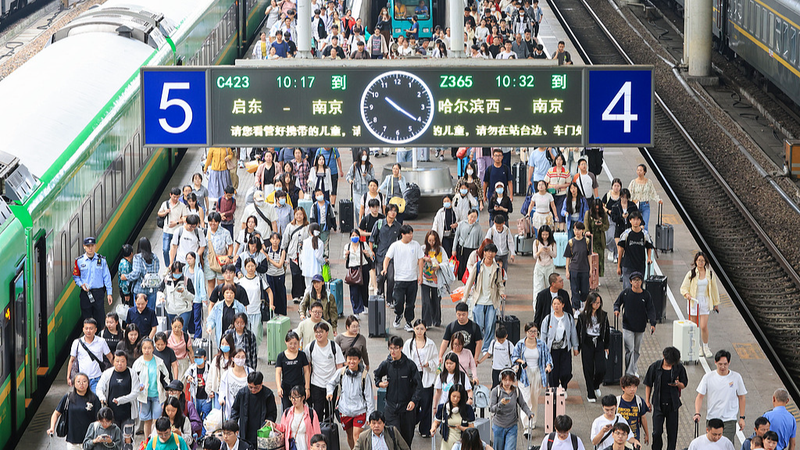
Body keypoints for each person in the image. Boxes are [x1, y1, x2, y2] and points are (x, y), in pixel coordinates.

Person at [373, 336, 423, 447]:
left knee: (406, 440)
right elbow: (376, 375)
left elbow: (419, 386)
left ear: (401, 348)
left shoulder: (410, 365)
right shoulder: (386, 364)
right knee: (393, 438)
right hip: (391, 408)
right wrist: (379, 383)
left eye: (395, 348)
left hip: (406, 409)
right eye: (390, 348)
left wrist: (413, 401)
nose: (393, 351)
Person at [694, 349, 747, 444]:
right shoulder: (708, 377)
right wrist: (697, 413)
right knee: (711, 444)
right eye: (720, 364)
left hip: (729, 420)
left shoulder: (736, 377)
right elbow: (700, 396)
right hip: (712, 418)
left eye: (725, 364)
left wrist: (742, 418)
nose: (723, 367)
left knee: (726, 445)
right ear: (715, 362)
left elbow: (741, 397)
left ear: (729, 363)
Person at [326, 348, 375, 449]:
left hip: (360, 411)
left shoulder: (364, 376)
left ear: (359, 360)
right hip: (345, 411)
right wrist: (330, 392)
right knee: (349, 436)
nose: (351, 361)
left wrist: (370, 415)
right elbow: (330, 383)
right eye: (349, 359)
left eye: (354, 359)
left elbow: (369, 397)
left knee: (357, 436)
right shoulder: (341, 373)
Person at [464, 242, 505, 354]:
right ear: (484, 253)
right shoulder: (478, 266)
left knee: (490, 325)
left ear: (495, 253)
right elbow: (469, 283)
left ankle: (487, 348)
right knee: (479, 325)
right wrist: (464, 299)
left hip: (492, 301)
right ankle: (479, 344)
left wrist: (502, 293)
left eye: (492, 252)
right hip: (479, 300)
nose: (490, 254)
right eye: (488, 252)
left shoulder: (496, 268)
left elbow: (500, 283)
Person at [644, 347, 688, 450]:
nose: (671, 365)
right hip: (658, 404)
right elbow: (648, 384)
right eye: (669, 362)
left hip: (673, 405)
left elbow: (684, 384)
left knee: (672, 433)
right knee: (657, 432)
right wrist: (647, 401)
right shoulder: (655, 367)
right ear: (664, 356)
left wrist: (678, 384)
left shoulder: (679, 368)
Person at [614, 272, 656, 376]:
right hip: (628, 326)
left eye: (639, 280)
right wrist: (616, 310)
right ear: (630, 281)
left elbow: (651, 309)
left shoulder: (646, 295)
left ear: (642, 281)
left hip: (640, 326)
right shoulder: (626, 293)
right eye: (635, 280)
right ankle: (629, 372)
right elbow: (617, 303)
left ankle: (633, 368)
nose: (637, 283)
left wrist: (652, 323)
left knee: (636, 350)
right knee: (630, 349)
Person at [383, 224, 424, 332]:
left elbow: (420, 260)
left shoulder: (416, 245)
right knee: (399, 301)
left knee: (411, 303)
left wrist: (420, 275)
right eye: (408, 234)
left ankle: (408, 322)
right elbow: (387, 258)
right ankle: (398, 314)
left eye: (411, 233)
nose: (411, 236)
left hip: (412, 279)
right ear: (402, 234)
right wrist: (385, 269)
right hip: (399, 279)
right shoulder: (395, 246)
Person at [680, 252, 721, 357]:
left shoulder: (710, 274)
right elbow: (683, 287)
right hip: (694, 301)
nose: (700, 262)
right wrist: (687, 294)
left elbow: (714, 290)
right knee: (694, 326)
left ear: (705, 262)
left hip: (705, 301)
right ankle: (697, 347)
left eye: (702, 260)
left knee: (703, 326)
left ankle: (706, 347)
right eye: (699, 260)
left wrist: (716, 303)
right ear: (695, 261)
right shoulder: (691, 273)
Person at [47, 372, 103, 447]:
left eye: (84, 381)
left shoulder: (94, 399)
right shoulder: (68, 398)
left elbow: (99, 419)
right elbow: (56, 413)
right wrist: (52, 427)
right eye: (78, 381)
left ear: (88, 383)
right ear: (74, 383)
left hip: (89, 440)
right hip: (72, 440)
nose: (81, 384)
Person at [403, 320, 438, 438]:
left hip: (426, 374)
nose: (419, 331)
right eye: (417, 328)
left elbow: (436, 360)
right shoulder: (409, 344)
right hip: (413, 376)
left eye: (422, 329)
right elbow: (405, 359)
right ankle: (412, 424)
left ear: (425, 330)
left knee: (426, 403)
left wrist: (429, 364)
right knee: (414, 402)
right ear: (413, 329)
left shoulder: (431, 344)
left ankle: (425, 429)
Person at [306, 322, 344, 422]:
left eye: (321, 332)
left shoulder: (334, 347)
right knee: (317, 413)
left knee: (329, 414)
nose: (319, 334)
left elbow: (339, 367)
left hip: (331, 385)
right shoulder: (310, 347)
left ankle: (329, 435)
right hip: (316, 384)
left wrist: (339, 386)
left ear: (327, 333)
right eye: (317, 332)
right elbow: (308, 366)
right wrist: (307, 387)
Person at [72, 237, 114, 327]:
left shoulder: (101, 260)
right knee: (86, 320)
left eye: (92, 246)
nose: (90, 248)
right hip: (85, 293)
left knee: (100, 319)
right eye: (88, 246)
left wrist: (109, 293)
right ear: (84, 247)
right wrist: (81, 284)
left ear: (95, 246)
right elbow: (76, 276)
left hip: (98, 293)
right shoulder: (79, 261)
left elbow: (107, 277)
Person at [132, 338, 170, 435]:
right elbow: (133, 379)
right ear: (142, 349)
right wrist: (137, 388)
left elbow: (165, 377)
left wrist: (167, 390)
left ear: (153, 348)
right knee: (147, 420)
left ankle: (155, 442)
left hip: (157, 395)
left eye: (149, 348)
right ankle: (147, 443)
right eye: (145, 348)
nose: (147, 350)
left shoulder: (159, 362)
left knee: (157, 420)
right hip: (143, 396)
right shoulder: (137, 363)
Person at [540, 296, 579, 391]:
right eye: (554, 304)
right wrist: (543, 350)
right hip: (552, 350)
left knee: (566, 371)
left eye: (558, 304)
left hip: (565, 348)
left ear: (563, 305)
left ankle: (564, 386)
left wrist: (575, 347)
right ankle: (554, 390)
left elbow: (573, 332)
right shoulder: (548, 319)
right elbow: (543, 335)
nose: (556, 306)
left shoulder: (568, 317)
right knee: (553, 372)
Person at [577, 292, 610, 402]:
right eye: (595, 303)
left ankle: (596, 385)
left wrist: (606, 346)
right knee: (588, 369)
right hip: (587, 343)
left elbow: (607, 331)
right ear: (590, 303)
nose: (597, 305)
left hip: (599, 343)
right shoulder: (582, 316)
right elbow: (578, 331)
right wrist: (577, 346)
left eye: (599, 303)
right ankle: (590, 392)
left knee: (602, 368)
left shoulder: (603, 315)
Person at [489, 369, 534, 450]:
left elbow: (522, 404)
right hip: (498, 426)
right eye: (505, 380)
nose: (507, 383)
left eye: (510, 380)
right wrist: (501, 404)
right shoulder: (496, 391)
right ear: (501, 379)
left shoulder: (516, 391)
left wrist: (529, 413)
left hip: (512, 426)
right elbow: (492, 409)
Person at [230, 371, 278, 447]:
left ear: (261, 384)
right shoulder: (242, 393)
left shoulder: (268, 394)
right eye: (250, 387)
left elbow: (272, 412)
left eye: (256, 388)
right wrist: (232, 424)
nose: (253, 390)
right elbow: (235, 410)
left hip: (262, 431)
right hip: (245, 431)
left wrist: (269, 421)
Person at [268, 386, 322, 450]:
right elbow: (283, 428)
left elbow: (317, 433)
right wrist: (275, 425)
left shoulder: (311, 413)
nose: (293, 400)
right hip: (292, 446)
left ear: (303, 398)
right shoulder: (287, 412)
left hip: (306, 445)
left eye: (296, 397)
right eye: (291, 397)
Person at [67, 319, 113, 392]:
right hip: (82, 380)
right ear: (83, 329)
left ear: (95, 330)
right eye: (86, 328)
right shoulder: (77, 343)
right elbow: (71, 360)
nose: (88, 331)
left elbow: (110, 357)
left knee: (96, 399)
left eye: (91, 328)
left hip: (97, 378)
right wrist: (68, 377)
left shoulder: (101, 342)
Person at [97, 351, 139, 428]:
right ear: (113, 362)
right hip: (111, 414)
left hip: (128, 413)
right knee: (112, 439)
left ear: (126, 362)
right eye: (117, 361)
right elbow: (99, 387)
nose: (120, 363)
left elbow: (135, 392)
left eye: (122, 361)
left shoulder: (132, 373)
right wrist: (102, 397)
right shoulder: (107, 373)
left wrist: (121, 400)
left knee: (127, 438)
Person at [371, 204, 402, 301]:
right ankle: (380, 294)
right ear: (387, 212)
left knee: (391, 278)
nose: (393, 213)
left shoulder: (398, 226)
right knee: (380, 278)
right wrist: (371, 251)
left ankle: (389, 299)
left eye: (395, 211)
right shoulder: (379, 224)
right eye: (391, 210)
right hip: (380, 255)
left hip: (392, 257)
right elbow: (372, 238)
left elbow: (401, 241)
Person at [616, 211, 654, 291]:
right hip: (627, 265)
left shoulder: (644, 234)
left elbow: (649, 247)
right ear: (630, 220)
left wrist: (649, 258)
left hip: (640, 265)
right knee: (627, 289)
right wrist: (619, 266)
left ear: (640, 221)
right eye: (633, 219)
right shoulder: (626, 234)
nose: (635, 221)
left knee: (638, 288)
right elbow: (620, 251)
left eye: (637, 219)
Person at [431, 384, 476, 450]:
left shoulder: (467, 409)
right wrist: (433, 428)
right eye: (453, 396)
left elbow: (472, 428)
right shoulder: (443, 408)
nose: (455, 399)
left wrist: (461, 428)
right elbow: (436, 422)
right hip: (446, 444)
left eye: (458, 397)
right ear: (449, 395)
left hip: (462, 444)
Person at [123, 238, 161, 310]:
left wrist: (126, 277)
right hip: (152, 288)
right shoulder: (155, 257)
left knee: (139, 311)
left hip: (140, 289)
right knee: (150, 311)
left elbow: (136, 273)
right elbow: (157, 270)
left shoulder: (137, 257)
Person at [421, 230, 448, 328]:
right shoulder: (423, 248)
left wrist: (439, 266)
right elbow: (417, 259)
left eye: (433, 241)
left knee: (436, 301)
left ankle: (436, 320)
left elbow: (446, 262)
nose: (431, 243)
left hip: (437, 280)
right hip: (425, 279)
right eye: (429, 240)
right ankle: (426, 322)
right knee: (426, 302)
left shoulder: (440, 250)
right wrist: (424, 259)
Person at [283, 207, 310, 303]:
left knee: (303, 274)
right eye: (297, 214)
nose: (298, 216)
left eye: (300, 214)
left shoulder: (307, 227)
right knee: (295, 274)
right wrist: (284, 254)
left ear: (304, 216)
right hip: (293, 254)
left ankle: (303, 293)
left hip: (304, 254)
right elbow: (285, 240)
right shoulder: (290, 226)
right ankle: (296, 294)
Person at [158, 188, 191, 268]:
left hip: (177, 231)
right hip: (167, 230)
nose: (176, 199)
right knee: (165, 250)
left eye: (177, 197)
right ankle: (168, 265)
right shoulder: (165, 204)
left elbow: (185, 218)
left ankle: (175, 266)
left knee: (176, 250)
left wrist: (176, 223)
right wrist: (165, 212)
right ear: (170, 195)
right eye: (174, 197)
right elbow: (159, 213)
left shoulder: (182, 206)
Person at [344, 230, 373, 316]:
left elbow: (370, 255)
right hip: (353, 270)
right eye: (352, 235)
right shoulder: (347, 246)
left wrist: (367, 253)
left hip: (363, 268)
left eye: (356, 235)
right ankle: (356, 310)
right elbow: (345, 258)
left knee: (364, 289)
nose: (354, 237)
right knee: (354, 291)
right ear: (350, 237)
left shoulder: (363, 245)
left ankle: (365, 306)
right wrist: (346, 255)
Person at [220, 348, 254, 420]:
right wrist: (221, 399)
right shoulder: (227, 374)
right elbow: (222, 390)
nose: (240, 359)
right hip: (231, 410)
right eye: (238, 357)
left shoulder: (250, 372)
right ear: (232, 358)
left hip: (247, 409)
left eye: (243, 357)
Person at [564, 222, 591, 312]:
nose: (577, 232)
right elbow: (568, 257)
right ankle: (576, 308)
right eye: (575, 229)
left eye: (579, 230)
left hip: (584, 269)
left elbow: (589, 255)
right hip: (574, 269)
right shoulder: (571, 242)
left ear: (583, 230)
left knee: (585, 290)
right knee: (574, 289)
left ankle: (583, 302)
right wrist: (567, 270)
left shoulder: (587, 241)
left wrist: (590, 269)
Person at [628, 164, 661, 236]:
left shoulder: (649, 182)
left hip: (645, 205)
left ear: (644, 172)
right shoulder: (633, 182)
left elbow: (653, 193)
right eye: (638, 170)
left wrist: (658, 200)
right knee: (635, 225)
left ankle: (646, 243)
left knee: (644, 226)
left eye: (641, 170)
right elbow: (629, 193)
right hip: (636, 205)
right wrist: (632, 201)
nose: (639, 172)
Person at [158, 262, 195, 327]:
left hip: (184, 309)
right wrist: (162, 297)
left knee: (182, 329)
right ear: (172, 272)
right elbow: (160, 290)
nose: (177, 275)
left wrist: (184, 292)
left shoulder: (186, 280)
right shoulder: (166, 280)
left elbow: (192, 296)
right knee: (173, 330)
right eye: (175, 273)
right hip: (171, 309)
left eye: (179, 273)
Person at [616, 375, 650, 444]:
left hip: (634, 437)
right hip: (619, 438)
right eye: (629, 387)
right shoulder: (617, 402)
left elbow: (643, 418)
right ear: (623, 388)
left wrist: (647, 434)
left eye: (634, 387)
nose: (632, 389)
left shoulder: (639, 401)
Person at [207, 333, 236, 410]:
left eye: (226, 344)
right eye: (222, 343)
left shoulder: (235, 359)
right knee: (219, 416)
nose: (224, 345)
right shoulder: (217, 359)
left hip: (231, 393)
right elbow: (211, 375)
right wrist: (210, 390)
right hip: (218, 392)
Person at [183, 348, 212, 423]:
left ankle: (204, 433)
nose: (197, 359)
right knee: (196, 416)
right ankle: (197, 433)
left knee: (206, 417)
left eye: (200, 357)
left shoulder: (209, 367)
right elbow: (186, 374)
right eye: (196, 357)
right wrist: (188, 377)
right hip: (196, 397)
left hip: (206, 398)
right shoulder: (192, 368)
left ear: (205, 358)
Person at [184, 252, 208, 339]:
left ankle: (198, 337)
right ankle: (191, 334)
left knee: (197, 319)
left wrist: (203, 298)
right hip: (187, 299)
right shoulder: (184, 270)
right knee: (189, 318)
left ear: (195, 259)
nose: (189, 260)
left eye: (190, 258)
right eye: (187, 258)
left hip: (196, 299)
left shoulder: (199, 272)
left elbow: (201, 286)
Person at [454, 209, 482, 283]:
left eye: (475, 217)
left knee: (472, 269)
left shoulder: (478, 227)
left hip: (473, 251)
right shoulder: (462, 224)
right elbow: (456, 237)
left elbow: (480, 241)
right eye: (471, 216)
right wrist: (454, 249)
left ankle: (470, 284)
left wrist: (480, 252)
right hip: (463, 249)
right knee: (463, 268)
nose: (473, 219)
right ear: (468, 215)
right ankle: (464, 284)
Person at [347, 149, 377, 220]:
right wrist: (350, 180)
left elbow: (373, 179)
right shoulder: (355, 165)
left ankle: (364, 223)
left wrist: (366, 176)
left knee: (366, 207)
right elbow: (348, 175)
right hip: (357, 189)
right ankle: (359, 223)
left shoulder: (370, 166)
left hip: (366, 189)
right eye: (363, 155)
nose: (364, 156)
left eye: (365, 155)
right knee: (358, 208)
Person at [585, 199, 609, 277]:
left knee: (600, 259)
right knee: (592, 259)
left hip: (600, 239)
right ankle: (592, 275)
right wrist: (587, 231)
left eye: (599, 209)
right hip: (591, 239)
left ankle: (598, 275)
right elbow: (586, 225)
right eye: (596, 209)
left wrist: (601, 225)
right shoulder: (588, 213)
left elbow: (607, 226)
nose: (597, 210)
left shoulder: (604, 214)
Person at [602, 178, 622, 261]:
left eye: (618, 186)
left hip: (618, 219)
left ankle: (616, 254)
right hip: (609, 218)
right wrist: (608, 211)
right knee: (609, 236)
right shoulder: (608, 195)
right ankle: (610, 250)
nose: (616, 187)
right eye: (615, 186)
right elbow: (602, 205)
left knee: (617, 237)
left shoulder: (621, 196)